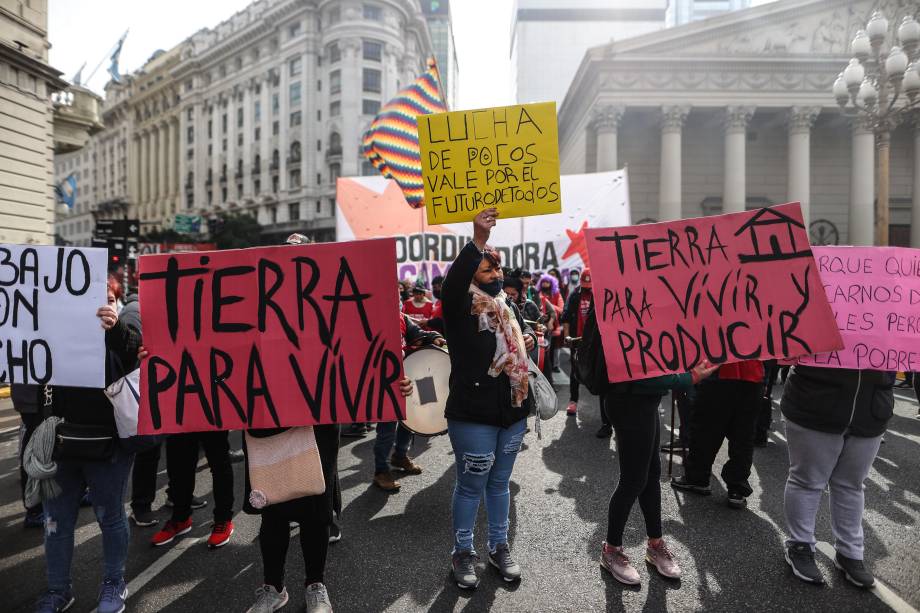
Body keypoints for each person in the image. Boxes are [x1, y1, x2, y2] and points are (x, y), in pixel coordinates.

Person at [244, 233, 417, 613]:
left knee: (314, 513)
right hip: (269, 423)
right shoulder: (257, 311)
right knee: (273, 513)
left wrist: (393, 380)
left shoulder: (336, 311)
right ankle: (273, 587)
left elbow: (369, 351)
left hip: (318, 425)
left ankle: (315, 585)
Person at [440, 207, 537, 589]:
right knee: (471, 485)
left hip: (512, 410)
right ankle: (462, 553)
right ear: (471, 277)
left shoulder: (505, 306)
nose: (497, 276)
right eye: (488, 270)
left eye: (498, 269)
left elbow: (514, 342)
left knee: (500, 483)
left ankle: (499, 546)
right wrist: (478, 239)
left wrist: (525, 340)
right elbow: (454, 280)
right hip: (473, 414)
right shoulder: (459, 305)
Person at [29, 299, 140, 613]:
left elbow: (135, 350)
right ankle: (57, 590)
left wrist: (114, 327)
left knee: (111, 518)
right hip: (59, 446)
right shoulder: (47, 330)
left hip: (106, 447)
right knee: (55, 522)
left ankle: (114, 584)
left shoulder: (115, 330)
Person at [593, 359, 716, 586]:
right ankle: (611, 550)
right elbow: (641, 370)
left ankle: (655, 544)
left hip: (644, 399)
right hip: (630, 400)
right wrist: (688, 378)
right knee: (633, 480)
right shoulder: (625, 322)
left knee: (650, 475)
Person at [780, 364, 893, 588]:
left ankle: (850, 553)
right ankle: (800, 545)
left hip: (871, 409)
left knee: (852, 485)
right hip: (815, 403)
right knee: (807, 481)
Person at [670, 360, 765, 508]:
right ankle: (737, 487)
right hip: (752, 375)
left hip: (719, 371)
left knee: (706, 431)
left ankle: (697, 478)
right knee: (743, 435)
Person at [372, 312, 445, 492]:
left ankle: (400, 455)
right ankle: (381, 470)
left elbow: (418, 333)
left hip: (408, 377)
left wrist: (434, 337)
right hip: (385, 381)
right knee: (387, 430)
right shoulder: (371, 315)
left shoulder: (400, 317)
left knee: (408, 423)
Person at [561, 267, 594, 418]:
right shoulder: (574, 296)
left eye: (589, 286)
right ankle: (573, 401)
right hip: (577, 340)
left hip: (594, 342)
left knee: (597, 371)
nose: (587, 289)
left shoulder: (599, 295)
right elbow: (566, 317)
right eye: (585, 286)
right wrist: (567, 336)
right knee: (575, 373)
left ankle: (606, 415)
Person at [13, 383, 43, 528]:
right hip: (34, 396)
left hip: (43, 393)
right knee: (34, 447)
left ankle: (35, 508)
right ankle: (35, 509)